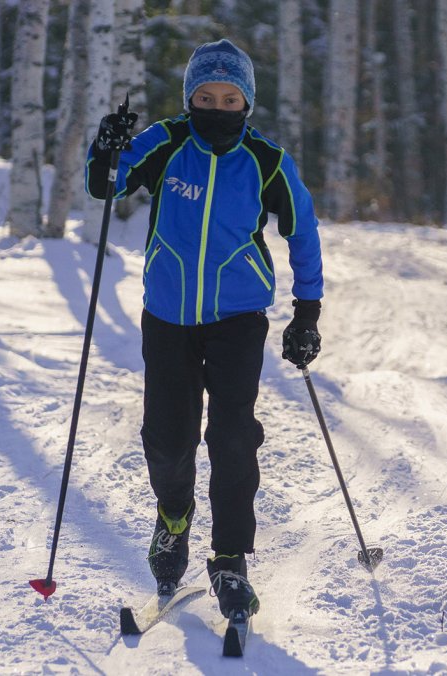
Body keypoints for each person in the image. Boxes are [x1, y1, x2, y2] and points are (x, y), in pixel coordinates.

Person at [85, 38, 323, 620]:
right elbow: (105, 184)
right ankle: (173, 520)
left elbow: (303, 231)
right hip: (168, 316)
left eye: (229, 98)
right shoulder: (166, 142)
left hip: (238, 318)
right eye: (206, 97)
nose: (217, 107)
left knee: (233, 436)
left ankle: (229, 559)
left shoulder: (266, 161)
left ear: (246, 103)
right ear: (190, 98)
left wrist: (307, 311)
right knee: (167, 438)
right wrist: (106, 146)